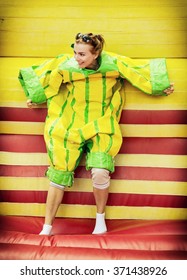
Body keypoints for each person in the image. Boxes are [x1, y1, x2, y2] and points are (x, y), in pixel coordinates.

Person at [19, 32, 174, 235]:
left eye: (82, 54)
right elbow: (47, 80)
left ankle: (100, 220)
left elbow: (137, 72)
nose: (76, 57)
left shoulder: (113, 63)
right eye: (74, 52)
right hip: (70, 123)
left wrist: (160, 87)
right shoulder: (67, 65)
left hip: (101, 123)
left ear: (96, 53)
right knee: (59, 173)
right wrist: (35, 97)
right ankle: (47, 227)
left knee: (100, 171)